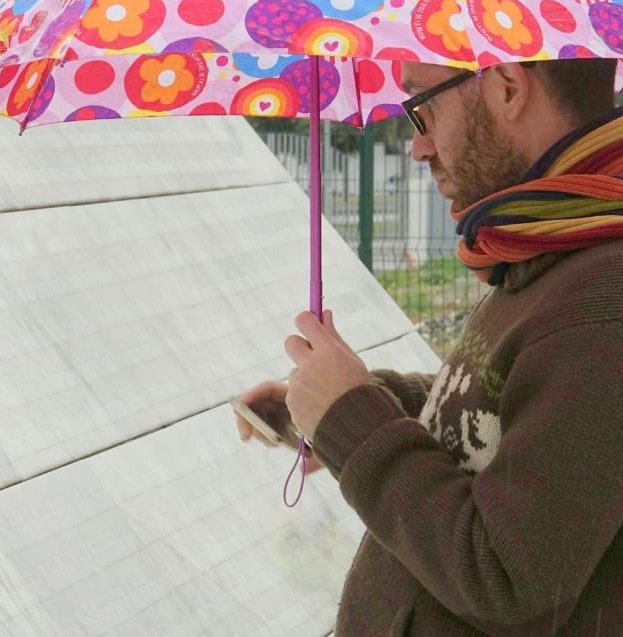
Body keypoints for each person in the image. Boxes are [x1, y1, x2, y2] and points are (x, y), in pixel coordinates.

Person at [236, 58, 623, 635]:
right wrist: (356, 402)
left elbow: (507, 581)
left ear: (508, 87)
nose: (418, 147)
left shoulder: (601, 300)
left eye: (422, 106)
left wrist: (355, 423)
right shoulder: (556, 246)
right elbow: (498, 421)